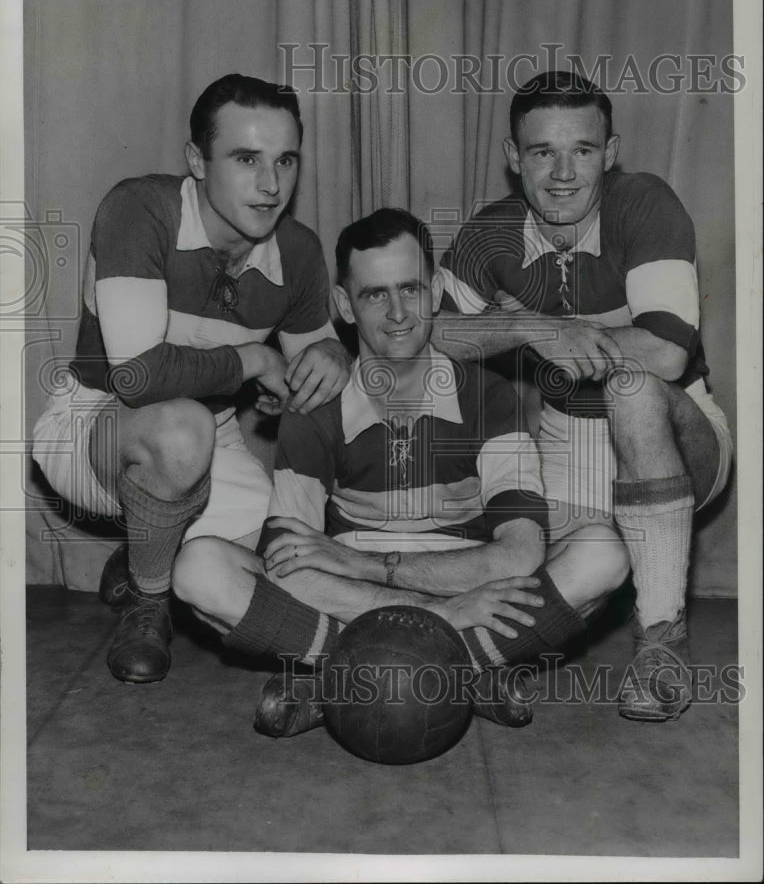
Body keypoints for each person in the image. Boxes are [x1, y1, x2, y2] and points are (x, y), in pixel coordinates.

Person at [172, 208, 630, 736]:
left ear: (435, 291)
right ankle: (460, 670)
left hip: (447, 576)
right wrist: (437, 611)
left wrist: (366, 566)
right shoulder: (316, 404)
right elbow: (285, 565)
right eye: (375, 295)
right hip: (358, 598)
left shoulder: (489, 397)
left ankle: (342, 680)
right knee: (199, 567)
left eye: (411, 289)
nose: (398, 314)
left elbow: (521, 553)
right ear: (345, 305)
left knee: (603, 551)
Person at [432, 71, 734, 721]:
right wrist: (526, 324)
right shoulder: (492, 234)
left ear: (612, 151)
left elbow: (665, 352)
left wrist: (567, 332)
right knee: (572, 564)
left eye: (584, 151)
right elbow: (433, 337)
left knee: (631, 384)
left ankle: (663, 642)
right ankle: (431, 660)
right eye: (543, 152)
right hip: (568, 444)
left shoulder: (645, 203)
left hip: (677, 434)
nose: (564, 173)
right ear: (515, 159)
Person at [32, 74, 351, 685]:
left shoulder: (299, 251)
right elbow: (138, 376)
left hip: (216, 434)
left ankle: (148, 549)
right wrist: (254, 361)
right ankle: (148, 601)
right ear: (197, 162)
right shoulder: (140, 209)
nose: (270, 184)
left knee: (269, 557)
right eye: (245, 159)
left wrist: (332, 353)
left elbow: (312, 373)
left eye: (285, 160)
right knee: (182, 429)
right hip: (94, 424)